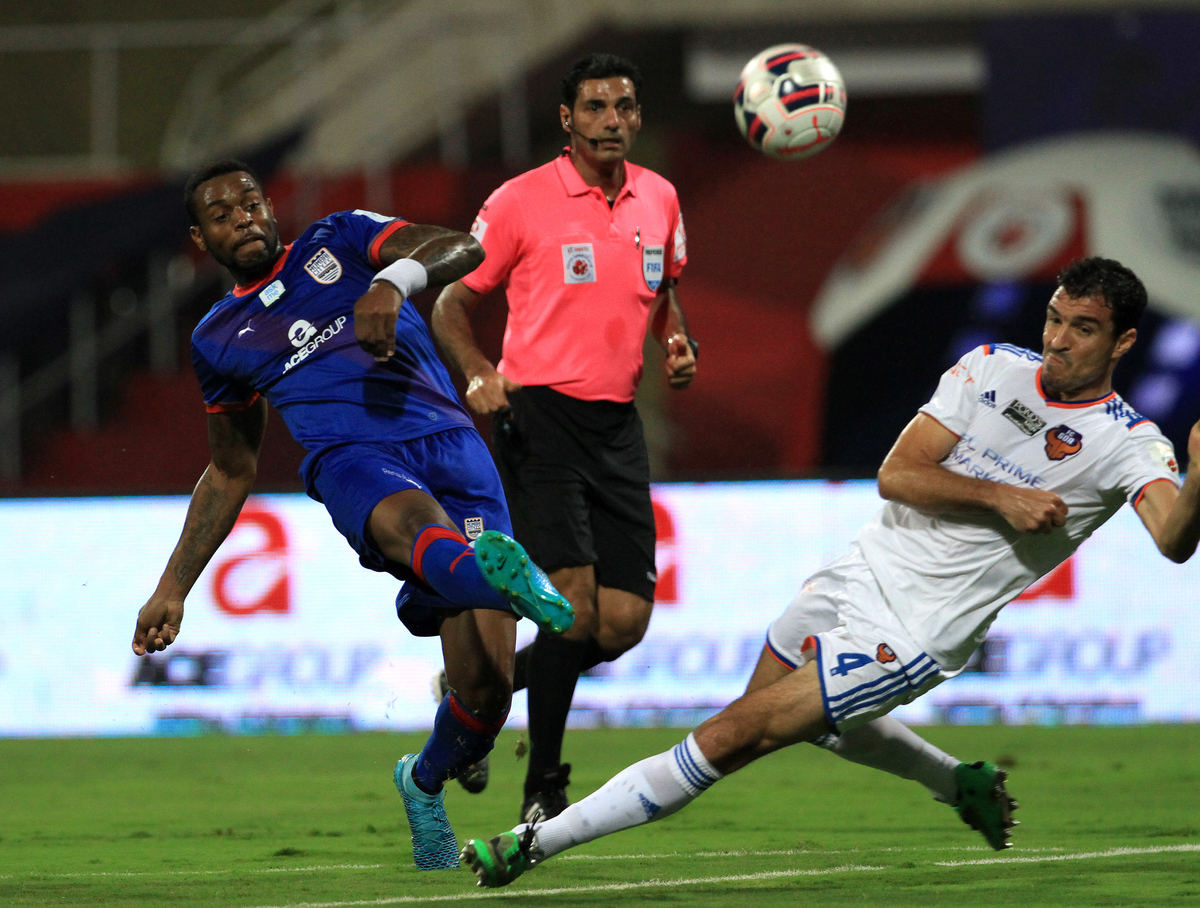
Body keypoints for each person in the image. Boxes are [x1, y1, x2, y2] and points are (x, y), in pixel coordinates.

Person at [460, 256, 1200, 886]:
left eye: (1084, 329)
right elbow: (898, 473)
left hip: (914, 630)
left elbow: (1172, 537)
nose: (1058, 341)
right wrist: (999, 496)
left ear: (1124, 341)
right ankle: (958, 782)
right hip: (855, 573)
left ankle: (531, 845)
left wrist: (1197, 476)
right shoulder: (990, 369)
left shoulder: (1127, 441)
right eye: (1055, 319)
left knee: (732, 735)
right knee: (779, 721)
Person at [130, 160, 575, 872]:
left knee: (487, 694)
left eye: (249, 203)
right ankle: (502, 578)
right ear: (200, 236)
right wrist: (173, 587)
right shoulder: (220, 338)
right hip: (353, 459)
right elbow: (233, 468)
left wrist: (389, 283)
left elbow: (463, 246)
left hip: (454, 449)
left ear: (269, 209)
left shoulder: (339, 241)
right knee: (413, 521)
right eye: (222, 213)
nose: (241, 217)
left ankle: (423, 780)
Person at [431, 53, 698, 821]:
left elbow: (663, 294)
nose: (612, 120)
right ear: (567, 120)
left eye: (624, 107)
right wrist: (480, 371)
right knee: (570, 609)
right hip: (537, 417)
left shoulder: (662, 198)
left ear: (638, 117)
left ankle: (472, 696)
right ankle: (543, 786)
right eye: (596, 108)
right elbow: (451, 302)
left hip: (618, 423)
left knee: (622, 622)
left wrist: (676, 343)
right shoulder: (520, 202)